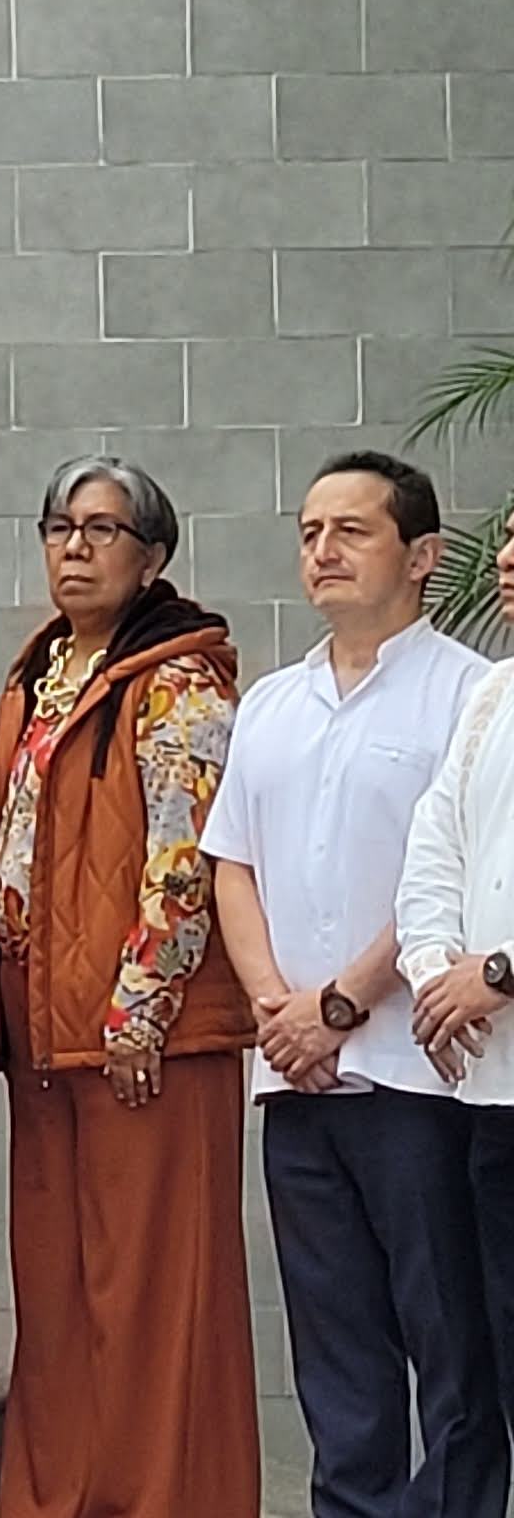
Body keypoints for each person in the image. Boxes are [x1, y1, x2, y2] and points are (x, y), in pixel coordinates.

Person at [210, 452, 500, 1518]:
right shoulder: (272, 703)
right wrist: (277, 1010)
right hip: (297, 1078)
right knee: (335, 1350)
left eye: (351, 530)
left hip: (421, 1072)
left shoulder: (471, 694)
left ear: (423, 556)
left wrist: (339, 1004)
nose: (322, 551)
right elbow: (231, 862)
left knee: (451, 1343)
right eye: (309, 531)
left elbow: (451, 875)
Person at [0, 455, 252, 1518]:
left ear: (153, 556)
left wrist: (143, 1006)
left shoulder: (179, 679)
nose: (76, 548)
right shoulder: (44, 669)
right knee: (56, 1292)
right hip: (45, 1019)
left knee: (150, 1293)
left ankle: (163, 1501)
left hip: (145, 1028)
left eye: (103, 529)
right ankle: (58, 1498)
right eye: (60, 527)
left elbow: (188, 859)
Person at [396, 529, 514, 1486]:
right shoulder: (494, 694)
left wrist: (502, 973)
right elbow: (435, 844)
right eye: (508, 541)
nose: (506, 560)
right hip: (496, 1092)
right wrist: (439, 973)